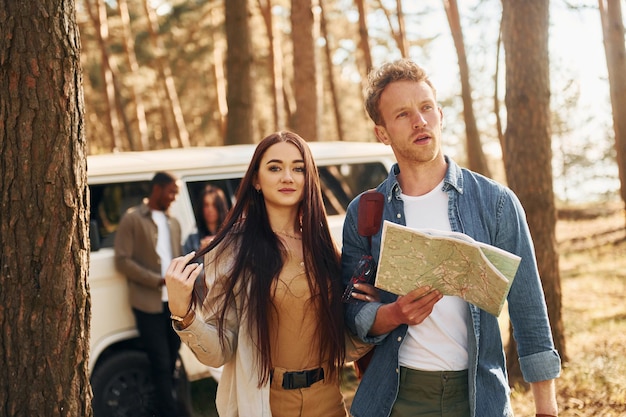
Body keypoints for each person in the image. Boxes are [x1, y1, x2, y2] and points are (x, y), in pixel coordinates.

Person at [342, 59, 561, 417]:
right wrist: (393, 313)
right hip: (393, 398)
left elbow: (529, 309)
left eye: (426, 107)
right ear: (382, 133)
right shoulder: (365, 212)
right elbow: (352, 313)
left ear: (440, 115)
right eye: (402, 114)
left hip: (478, 397)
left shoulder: (497, 203)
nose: (420, 121)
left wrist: (546, 408)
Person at [164, 131, 376, 417]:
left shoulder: (323, 246)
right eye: (275, 167)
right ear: (256, 180)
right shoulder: (233, 250)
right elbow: (218, 352)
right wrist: (183, 313)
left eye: (298, 168)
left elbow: (344, 346)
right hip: (267, 405)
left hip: (329, 402)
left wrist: (372, 313)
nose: (287, 177)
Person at [114, 171, 185, 417]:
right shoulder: (132, 219)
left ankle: (174, 407)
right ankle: (170, 412)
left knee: (173, 360)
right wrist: (156, 280)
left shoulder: (174, 223)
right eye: (171, 191)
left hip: (174, 303)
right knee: (160, 362)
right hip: (147, 303)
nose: (174, 197)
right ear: (157, 189)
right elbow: (122, 261)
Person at [182, 184, 229, 255]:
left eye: (214, 204)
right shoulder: (192, 240)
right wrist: (201, 253)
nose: (210, 209)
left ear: (220, 207)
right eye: (206, 205)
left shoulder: (231, 235)